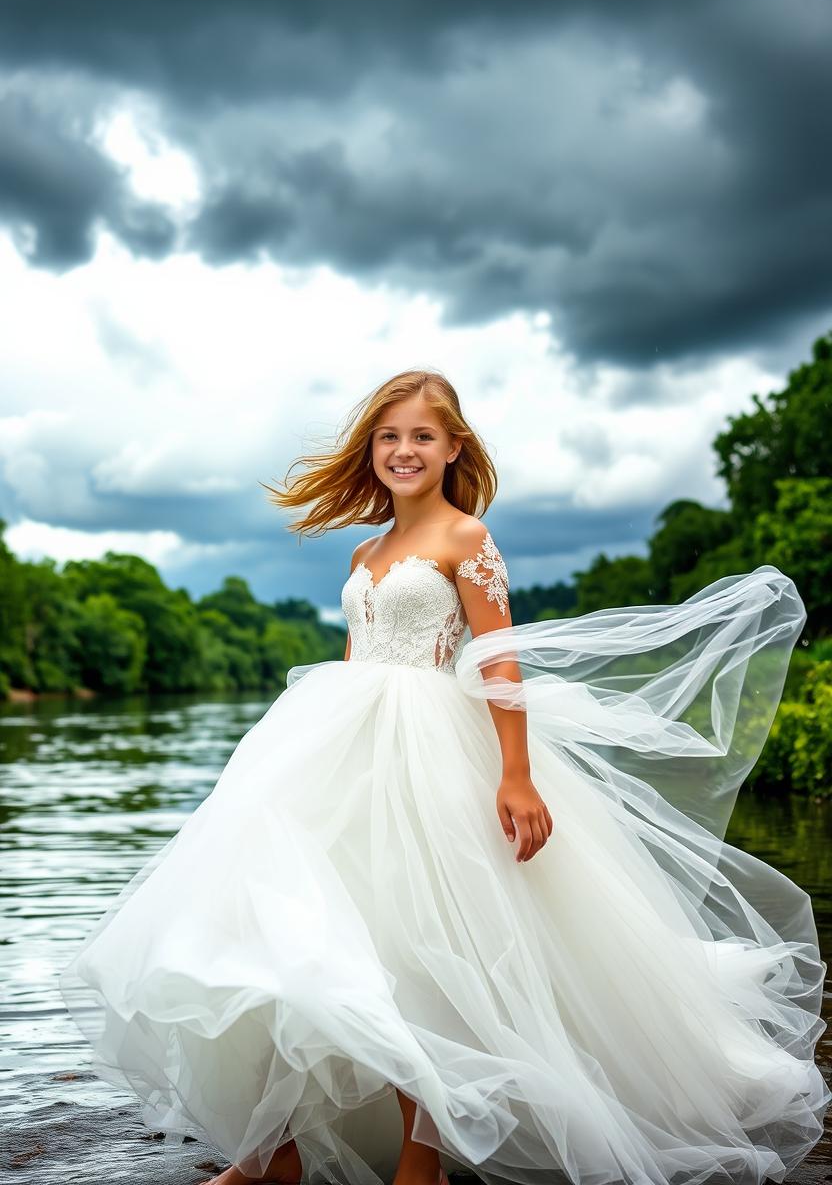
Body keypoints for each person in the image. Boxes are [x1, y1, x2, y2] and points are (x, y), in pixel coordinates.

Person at [59, 368, 830, 1185]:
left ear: (453, 445)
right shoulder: (364, 549)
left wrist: (518, 775)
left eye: (421, 436)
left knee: (413, 952)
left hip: (430, 753)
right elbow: (359, 659)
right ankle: (269, 1154)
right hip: (339, 745)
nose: (403, 450)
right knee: (282, 934)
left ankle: (420, 1158)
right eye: (388, 436)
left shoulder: (468, 538)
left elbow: (498, 661)